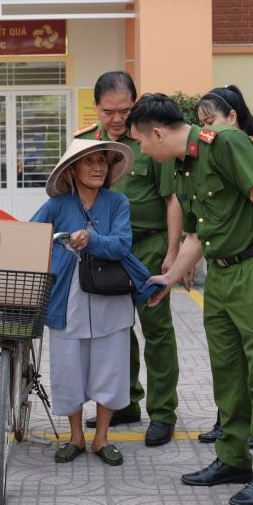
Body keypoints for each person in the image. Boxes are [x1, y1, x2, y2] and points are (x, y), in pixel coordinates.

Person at [127, 93, 253, 505]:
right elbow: (194, 236)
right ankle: (232, 459)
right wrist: (167, 277)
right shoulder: (183, 166)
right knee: (228, 371)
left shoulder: (224, 143)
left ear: (156, 133)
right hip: (221, 275)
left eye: (141, 143)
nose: (141, 152)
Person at [30, 139, 161, 466]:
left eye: (103, 161)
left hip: (109, 296)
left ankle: (102, 438)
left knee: (109, 367)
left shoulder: (118, 203)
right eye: (89, 162)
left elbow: (121, 245)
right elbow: (32, 235)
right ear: (72, 169)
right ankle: (76, 437)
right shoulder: (57, 206)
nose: (98, 167)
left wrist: (92, 240)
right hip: (67, 298)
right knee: (68, 368)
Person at [75, 71, 182, 447]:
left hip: (149, 247)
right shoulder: (84, 143)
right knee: (117, 332)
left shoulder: (152, 139)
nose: (118, 119)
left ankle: (163, 412)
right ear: (96, 108)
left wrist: (173, 252)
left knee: (156, 331)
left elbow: (173, 199)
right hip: (105, 251)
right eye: (109, 111)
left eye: (125, 110)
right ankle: (125, 402)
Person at [193, 85, 253, 447]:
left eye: (210, 120)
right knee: (229, 360)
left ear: (233, 117)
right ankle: (231, 428)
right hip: (226, 264)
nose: (205, 129)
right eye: (199, 123)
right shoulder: (212, 152)